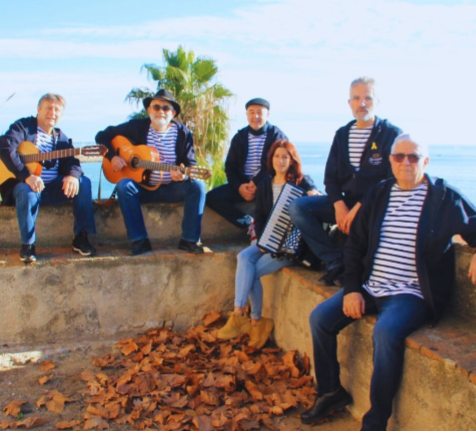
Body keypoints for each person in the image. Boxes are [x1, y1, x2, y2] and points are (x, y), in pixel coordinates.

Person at [301, 134, 476, 431]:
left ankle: (375, 422)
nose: (406, 162)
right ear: (390, 161)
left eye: (414, 157)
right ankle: (330, 392)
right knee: (319, 319)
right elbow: (355, 245)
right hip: (370, 285)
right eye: (399, 156)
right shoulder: (379, 193)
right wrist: (352, 289)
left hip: (411, 294)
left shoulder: (444, 198)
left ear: (426, 161)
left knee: (386, 333)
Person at [289, 77, 402, 286]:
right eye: (356, 98)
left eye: (368, 98)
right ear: (349, 103)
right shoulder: (342, 135)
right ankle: (335, 261)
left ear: (377, 101)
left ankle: (355, 270)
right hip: (346, 204)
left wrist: (360, 206)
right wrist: (339, 205)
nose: (362, 103)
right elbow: (330, 178)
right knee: (298, 208)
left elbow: (392, 180)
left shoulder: (391, 134)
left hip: (374, 208)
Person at [217, 139, 319, 349]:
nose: (280, 161)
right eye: (276, 156)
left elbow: (315, 194)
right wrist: (263, 241)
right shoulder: (265, 184)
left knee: (252, 272)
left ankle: (255, 321)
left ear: (292, 160)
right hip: (269, 240)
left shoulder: (302, 181)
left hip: (290, 247)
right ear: (271, 160)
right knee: (243, 257)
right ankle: (242, 315)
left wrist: (314, 194)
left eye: (285, 157)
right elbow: (260, 217)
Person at [95, 89, 206, 255]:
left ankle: (189, 240)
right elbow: (101, 136)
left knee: (198, 186)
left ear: (173, 113)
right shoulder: (137, 127)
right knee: (124, 186)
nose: (161, 111)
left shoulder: (183, 133)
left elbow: (190, 164)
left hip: (172, 188)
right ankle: (139, 241)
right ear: (149, 110)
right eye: (156, 107)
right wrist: (112, 157)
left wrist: (183, 175)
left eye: (166, 108)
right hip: (144, 188)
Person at [0, 93, 97, 263]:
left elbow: (73, 162)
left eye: (57, 110)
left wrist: (73, 175)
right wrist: (26, 176)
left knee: (83, 183)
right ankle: (28, 245)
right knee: (26, 189)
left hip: (53, 189)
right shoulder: (24, 127)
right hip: (27, 189)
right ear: (38, 109)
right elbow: (4, 145)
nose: (52, 113)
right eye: (49, 108)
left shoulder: (61, 138)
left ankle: (81, 238)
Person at [206, 98, 287, 237]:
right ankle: (249, 223)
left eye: (259, 112)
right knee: (212, 197)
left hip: (266, 185)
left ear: (267, 114)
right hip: (243, 185)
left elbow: (276, 167)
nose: (255, 116)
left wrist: (255, 183)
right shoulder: (239, 137)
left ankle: (269, 234)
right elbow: (230, 167)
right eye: (251, 112)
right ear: (247, 114)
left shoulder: (277, 136)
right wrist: (239, 187)